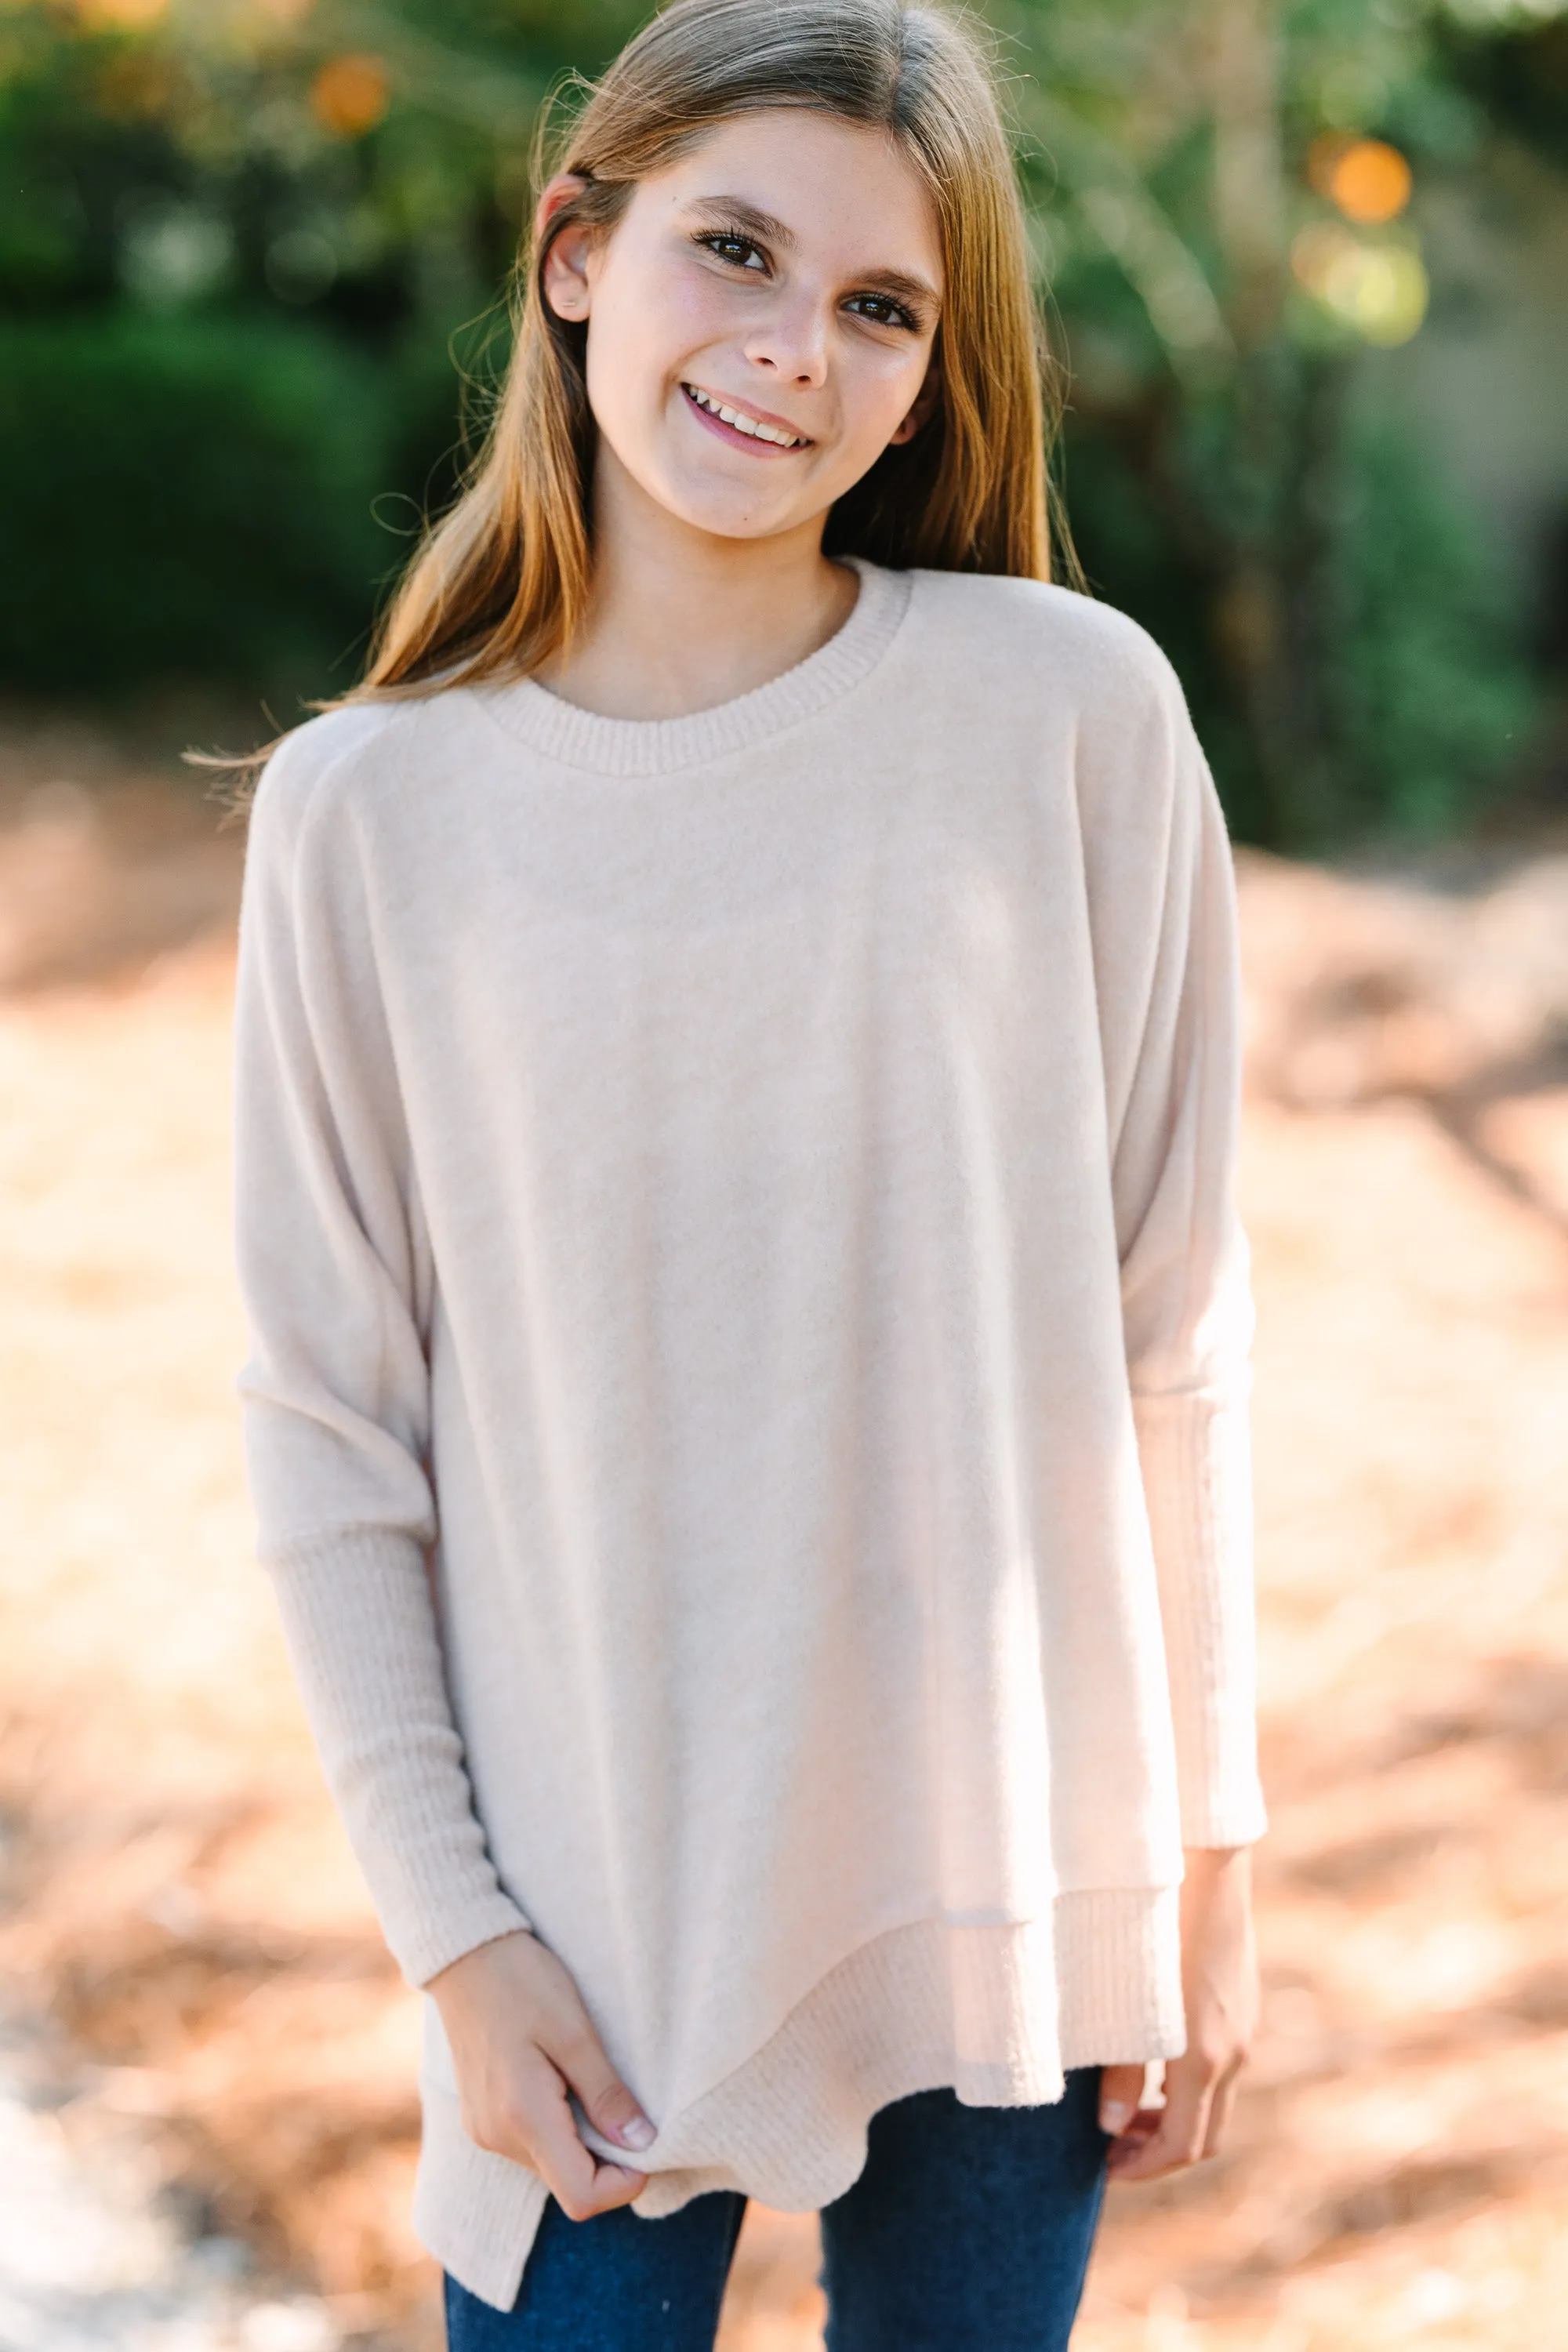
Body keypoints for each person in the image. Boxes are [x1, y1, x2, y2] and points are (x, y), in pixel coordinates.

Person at [230, 1, 1267, 2343]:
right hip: (589, 1937)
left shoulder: (1071, 719)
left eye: (879, 306)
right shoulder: (370, 821)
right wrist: (457, 1942)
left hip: (1009, 1880)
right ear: (576, 252)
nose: (795, 354)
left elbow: (1172, 1323)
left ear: (931, 370)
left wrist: (1204, 1860)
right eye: (735, 252)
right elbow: (328, 1427)